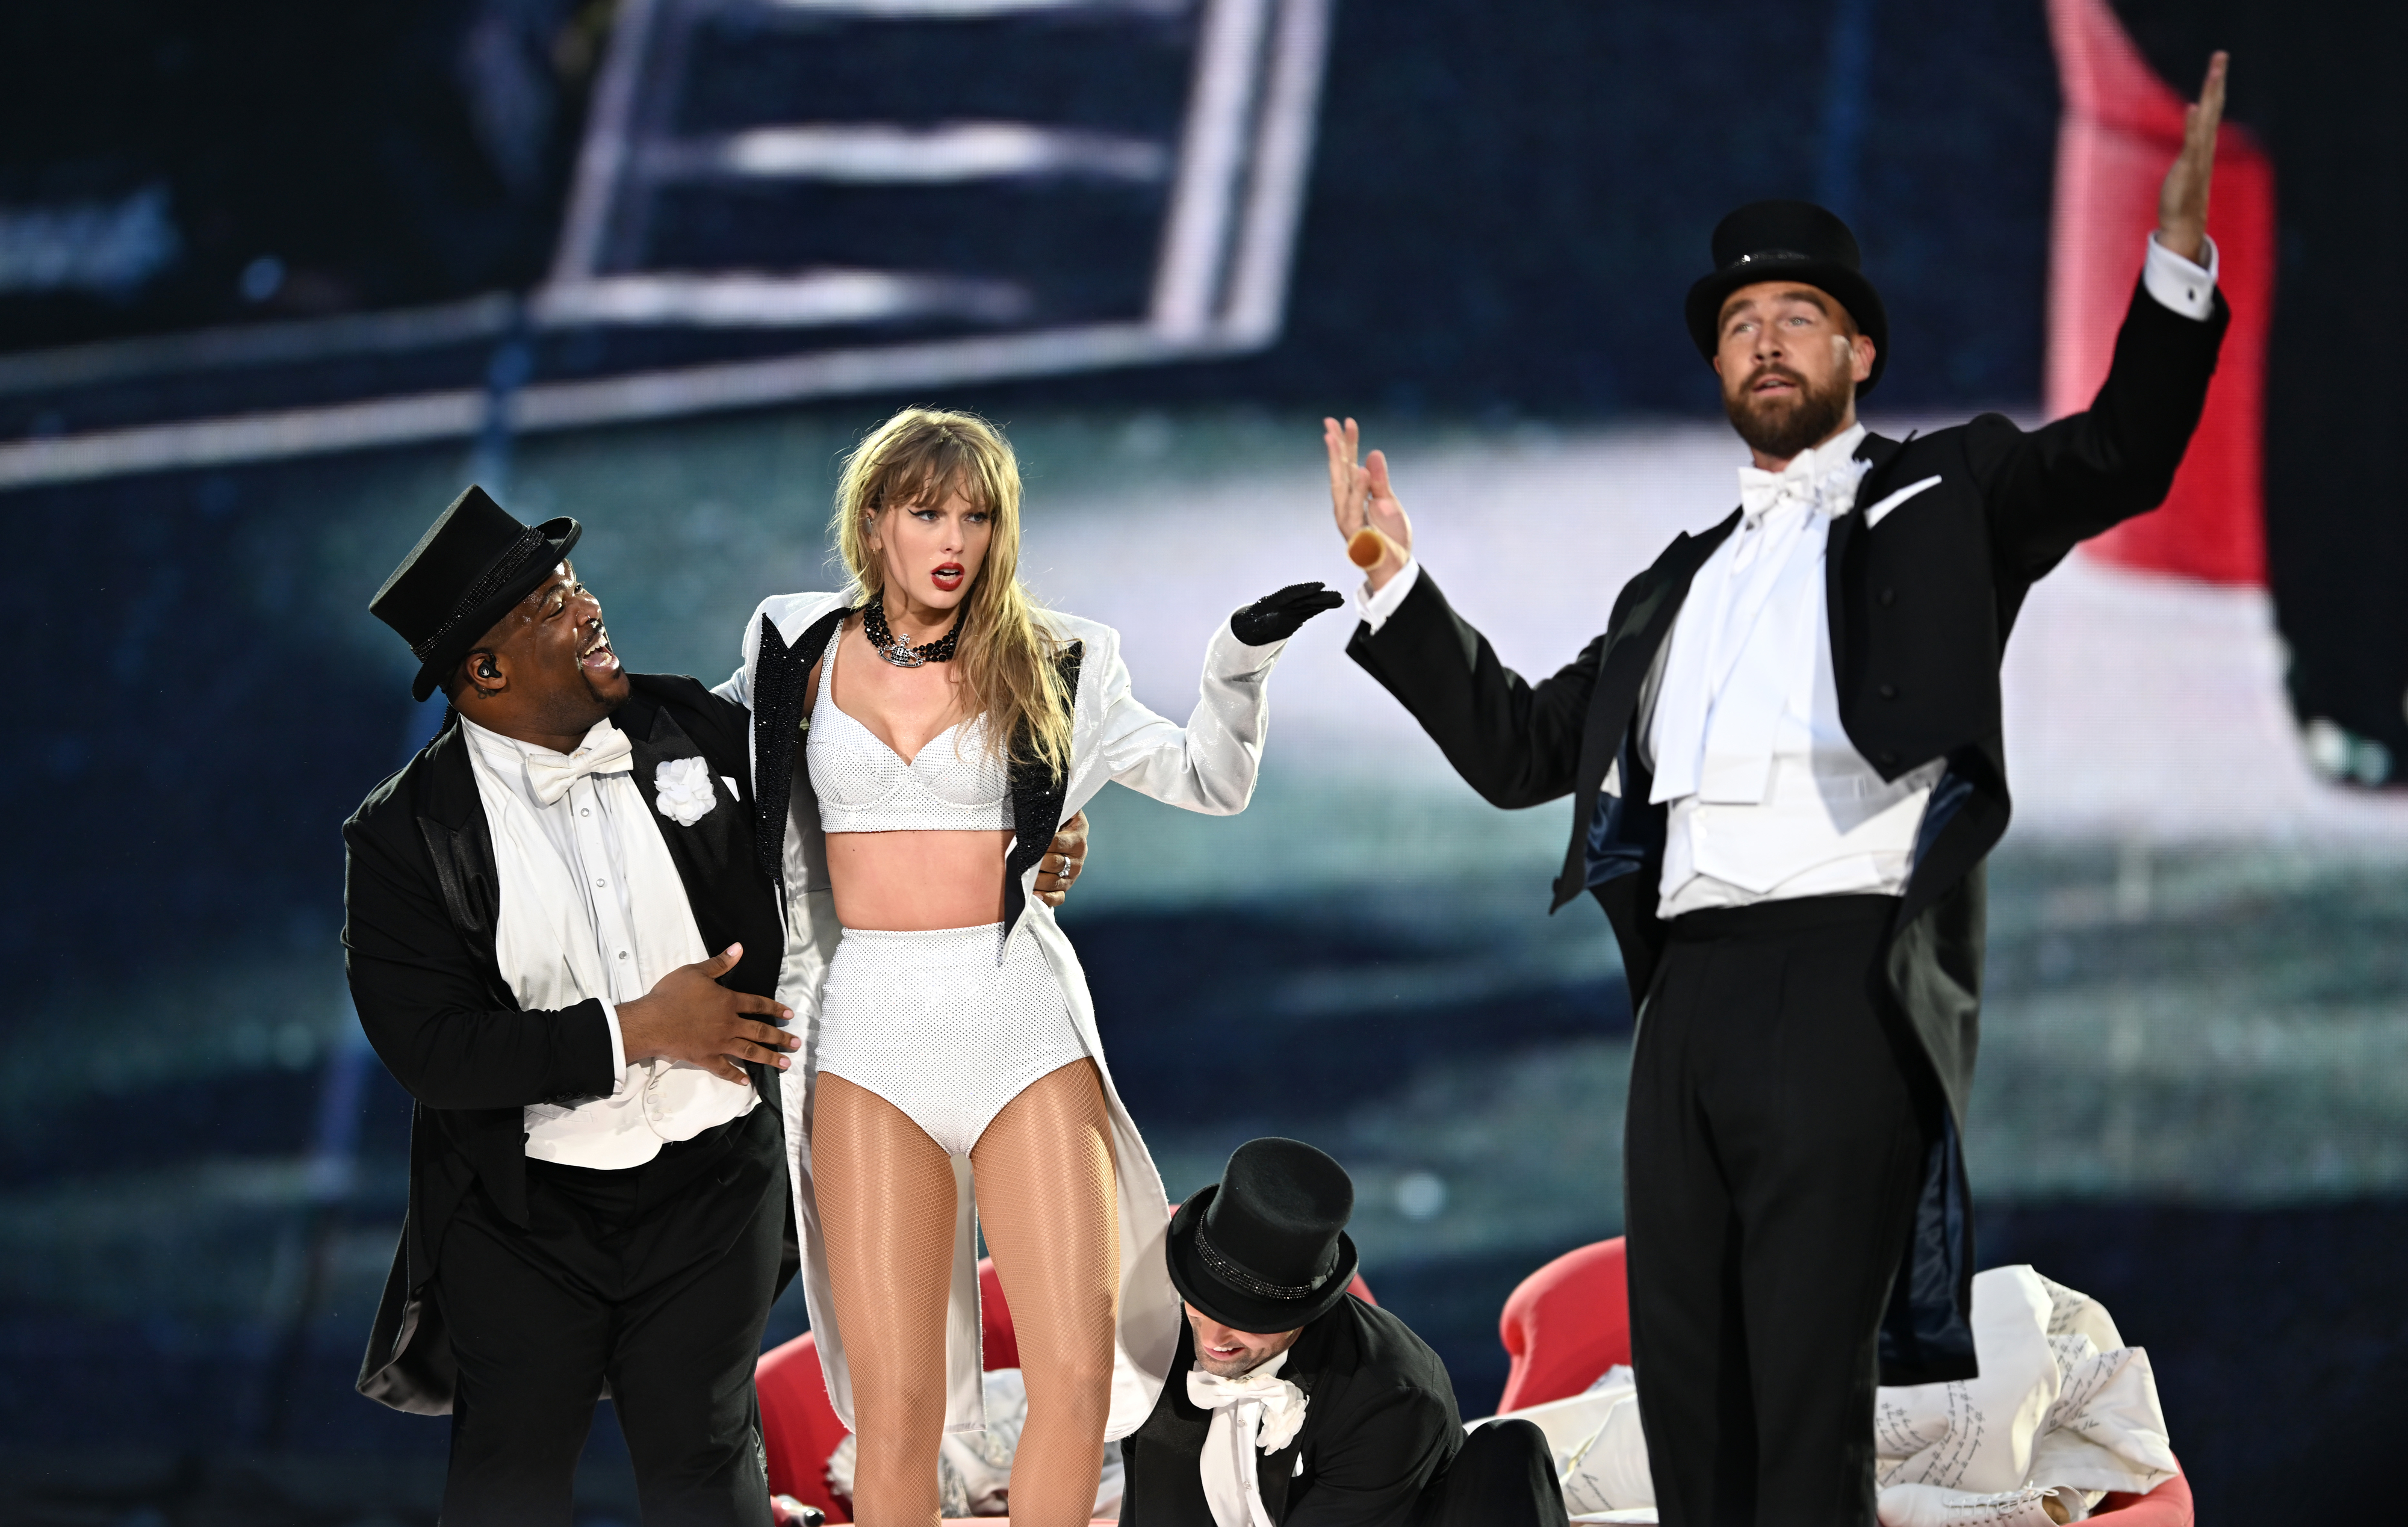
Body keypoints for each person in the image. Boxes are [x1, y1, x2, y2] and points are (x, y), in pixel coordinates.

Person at [1323, 54, 2232, 1527]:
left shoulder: (1952, 497)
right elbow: (1512, 751)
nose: (1764, 341)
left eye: (1796, 317)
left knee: (1806, 1414)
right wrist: (1397, 592)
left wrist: (2176, 267)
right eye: (1739, 323)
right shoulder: (1665, 590)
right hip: (1683, 1006)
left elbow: (2124, 449)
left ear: (1858, 353)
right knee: (1693, 1409)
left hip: (1840, 981)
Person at [342, 485, 1096, 1523]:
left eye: (575, 585)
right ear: (486, 670)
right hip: (524, 1222)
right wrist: (636, 1031)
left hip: (712, 1194)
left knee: (705, 1467)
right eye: (553, 608)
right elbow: (436, 1053)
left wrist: (1016, 858)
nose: (590, 608)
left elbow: (867, 829)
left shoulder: (693, 726)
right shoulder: (403, 839)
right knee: (509, 1479)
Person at [716, 407, 1343, 1526]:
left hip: (1016, 1023)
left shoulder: (1058, 656)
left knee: (1077, 1373)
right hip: (866, 1032)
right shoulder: (794, 648)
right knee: (900, 1410)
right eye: (927, 511)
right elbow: (702, 776)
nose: (954, 536)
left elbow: (1210, 778)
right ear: (875, 522)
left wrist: (1237, 662)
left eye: (977, 513)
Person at [1119, 1137, 1566, 1526]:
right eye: (1202, 1300)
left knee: (1509, 1447)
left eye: (1247, 1318)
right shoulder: (1160, 1338)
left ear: (1304, 1311)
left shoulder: (1389, 1399)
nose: (1214, 1335)